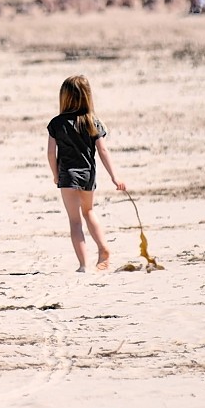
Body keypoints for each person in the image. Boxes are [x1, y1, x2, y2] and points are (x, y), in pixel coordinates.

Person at [46, 75, 127, 273]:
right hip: (88, 175)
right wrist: (114, 176)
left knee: (75, 221)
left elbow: (50, 153)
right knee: (89, 211)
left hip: (68, 176)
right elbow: (103, 151)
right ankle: (103, 248)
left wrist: (56, 174)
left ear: (63, 97)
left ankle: (83, 265)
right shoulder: (93, 122)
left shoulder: (57, 124)